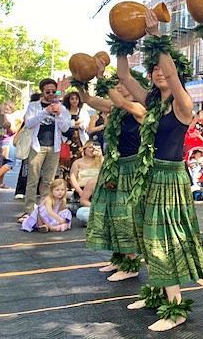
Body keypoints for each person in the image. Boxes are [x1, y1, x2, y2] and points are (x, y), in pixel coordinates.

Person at [118, 10, 203, 331]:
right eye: (154, 69)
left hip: (171, 179)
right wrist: (122, 43)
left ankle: (176, 308)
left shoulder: (183, 105)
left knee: (164, 239)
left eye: (164, 69)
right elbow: (124, 78)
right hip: (149, 176)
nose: (159, 72)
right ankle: (157, 293)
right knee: (148, 237)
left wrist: (157, 37)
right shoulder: (151, 102)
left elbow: (171, 73)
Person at [77, 58, 148, 283]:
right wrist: (79, 81)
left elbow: (120, 101)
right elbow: (88, 100)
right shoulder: (115, 108)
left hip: (132, 168)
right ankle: (119, 257)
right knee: (111, 213)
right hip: (115, 166)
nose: (119, 86)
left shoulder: (140, 108)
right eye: (117, 83)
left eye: (123, 83)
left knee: (126, 216)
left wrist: (101, 76)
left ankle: (131, 264)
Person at [18, 78, 71, 224]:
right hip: (37, 146)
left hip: (54, 147)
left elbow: (65, 128)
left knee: (49, 181)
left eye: (54, 91)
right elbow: (29, 123)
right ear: (42, 92)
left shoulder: (62, 108)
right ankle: (29, 210)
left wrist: (59, 114)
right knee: (33, 180)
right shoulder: (34, 106)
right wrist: (45, 111)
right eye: (48, 92)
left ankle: (45, 209)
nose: (51, 94)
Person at [0, 101, 22, 191]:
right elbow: (13, 130)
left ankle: (0, 183)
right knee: (10, 163)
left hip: (1, 142)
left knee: (3, 163)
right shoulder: (7, 118)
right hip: (9, 142)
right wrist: (21, 125)